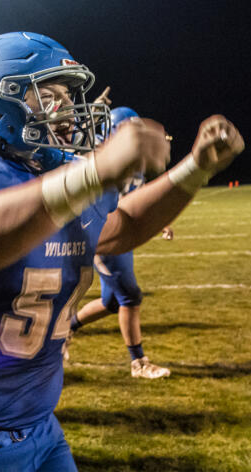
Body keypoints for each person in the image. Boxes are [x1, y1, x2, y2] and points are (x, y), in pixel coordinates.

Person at [0, 31, 244, 471]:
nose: (69, 108)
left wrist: (196, 167)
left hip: (37, 429)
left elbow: (125, 225)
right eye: (51, 94)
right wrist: (92, 174)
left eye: (69, 94)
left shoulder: (63, 177)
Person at [66, 107, 171, 379]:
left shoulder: (133, 159)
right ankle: (139, 363)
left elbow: (135, 196)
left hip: (122, 232)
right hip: (105, 235)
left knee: (112, 302)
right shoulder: (99, 158)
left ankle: (67, 328)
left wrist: (159, 221)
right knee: (130, 296)